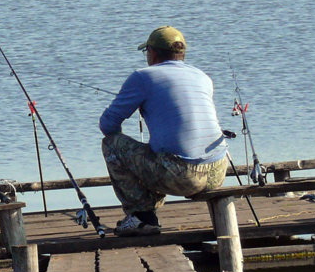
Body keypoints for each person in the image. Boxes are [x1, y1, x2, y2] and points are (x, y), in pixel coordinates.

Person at [97, 26, 230, 236]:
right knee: (156, 151)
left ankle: (142, 216)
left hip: (184, 177)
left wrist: (139, 105)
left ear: (154, 53)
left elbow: (108, 126)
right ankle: (147, 210)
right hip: (218, 172)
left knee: (112, 145)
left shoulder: (143, 77)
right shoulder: (203, 77)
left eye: (146, 52)